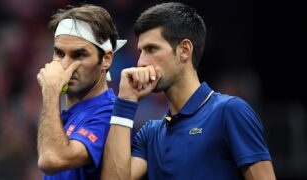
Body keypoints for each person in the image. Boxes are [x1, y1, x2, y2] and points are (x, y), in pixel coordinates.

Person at [102, 2, 276, 180]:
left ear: (184, 50)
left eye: (151, 49)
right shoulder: (150, 133)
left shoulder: (229, 112)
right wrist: (125, 101)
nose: (141, 63)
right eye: (140, 52)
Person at [36, 4, 126, 179]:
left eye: (79, 55)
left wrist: (51, 92)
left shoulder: (110, 115)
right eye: (59, 53)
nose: (65, 65)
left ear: (106, 59)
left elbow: (51, 159)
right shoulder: (65, 115)